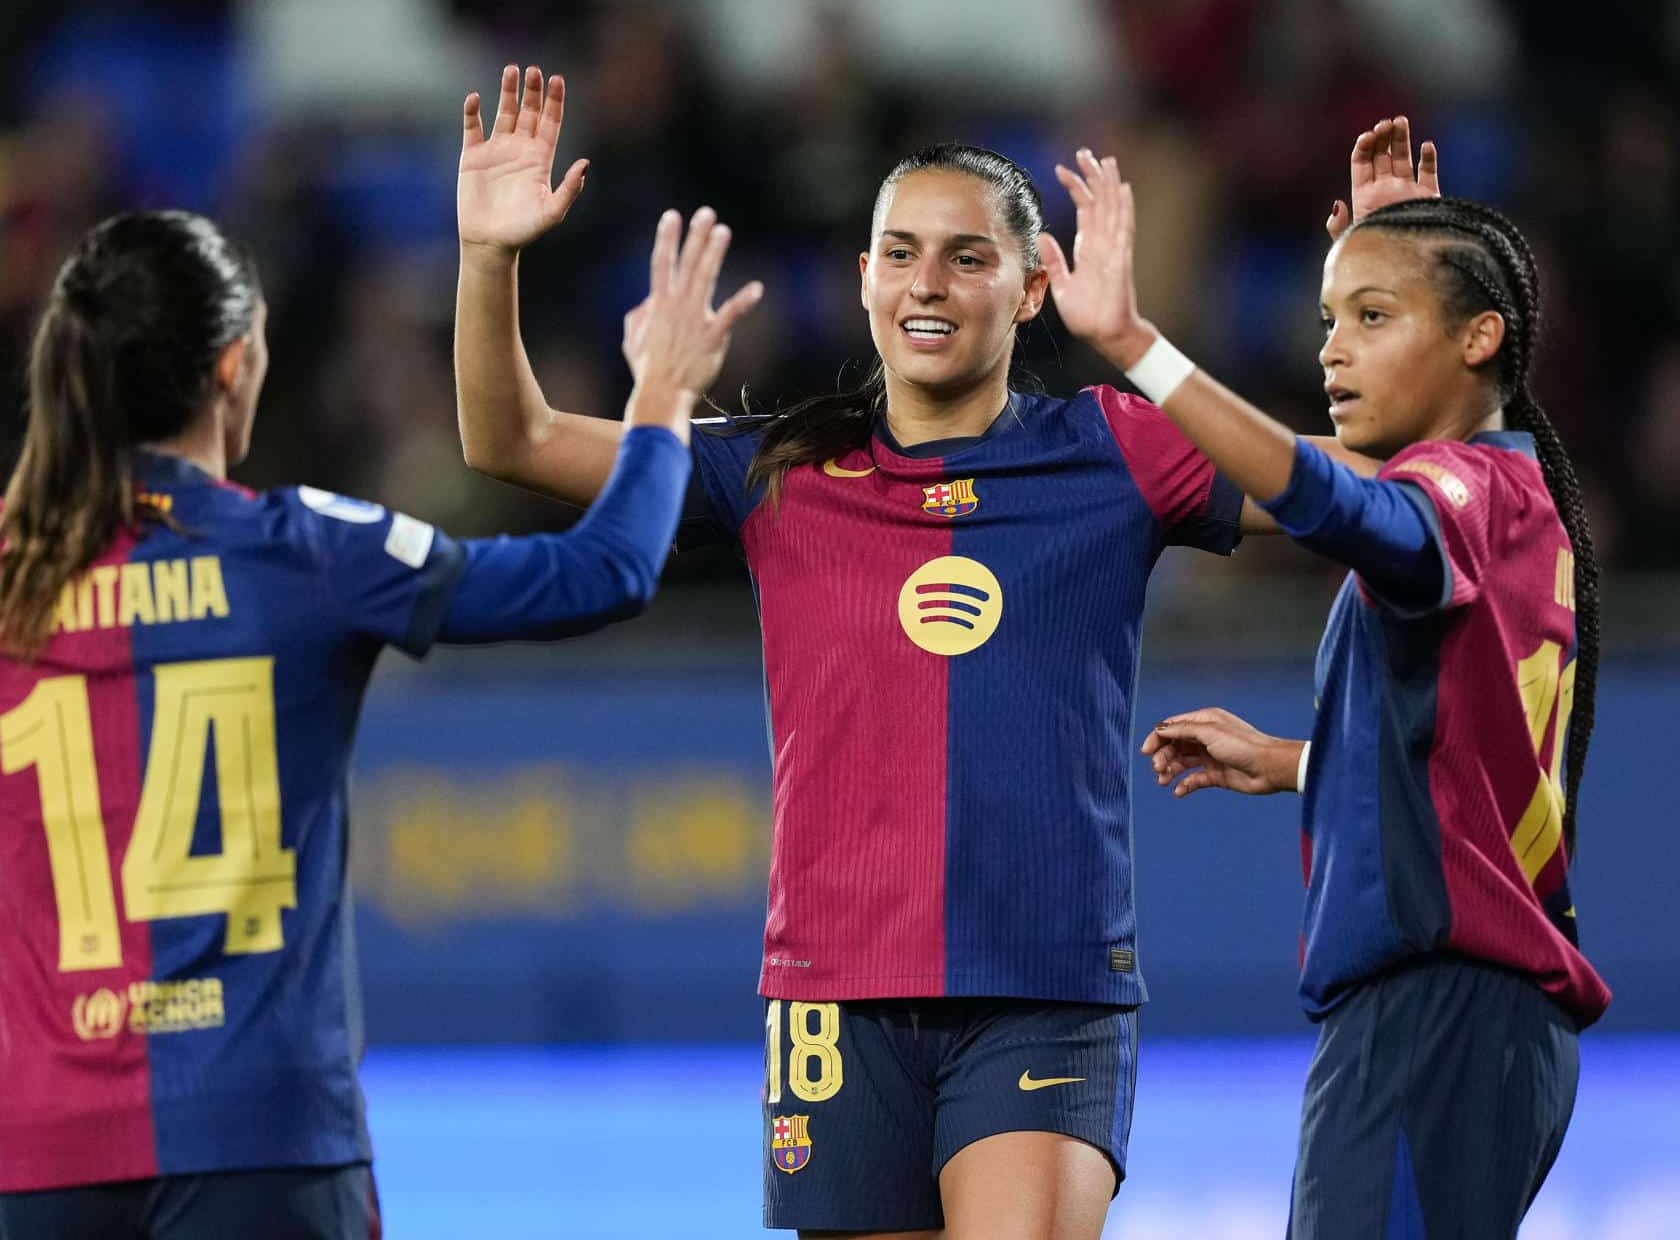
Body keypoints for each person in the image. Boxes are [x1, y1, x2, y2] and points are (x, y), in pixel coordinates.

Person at [453, 66, 1414, 1239]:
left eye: (969, 256)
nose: (929, 282)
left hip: (1045, 983)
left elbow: (1386, 485)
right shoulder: (780, 471)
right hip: (833, 996)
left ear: (1031, 289)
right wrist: (489, 257)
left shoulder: (1116, 450)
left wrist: (1391, 291)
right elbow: (512, 438)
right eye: (901, 252)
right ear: (863, 281)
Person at [0, 202, 759, 1238]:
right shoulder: (303, 550)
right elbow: (606, 570)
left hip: (45, 1146)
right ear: (230, 365)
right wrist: (663, 396)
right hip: (263, 1130)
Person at [1036, 146, 1609, 1238]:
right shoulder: (1516, 494)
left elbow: (1343, 509)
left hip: (1435, 1017)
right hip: (1475, 1022)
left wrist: (1136, 349)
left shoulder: (1446, 489)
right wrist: (1307, 759)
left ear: (1481, 335)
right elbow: (1479, 754)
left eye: (1373, 317)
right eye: (1328, 317)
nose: (1333, 351)